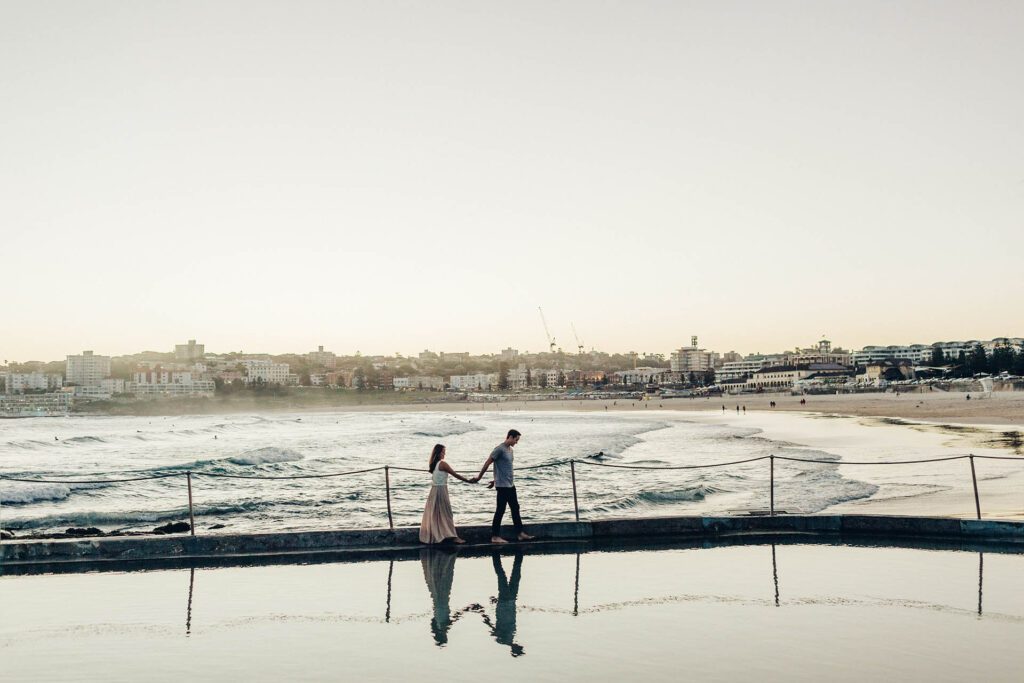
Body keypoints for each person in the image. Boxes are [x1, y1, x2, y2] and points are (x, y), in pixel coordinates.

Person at [477, 429, 534, 544]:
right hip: (503, 486)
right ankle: (495, 536)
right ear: (510, 437)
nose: (516, 442)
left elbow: (503, 467)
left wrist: (494, 480)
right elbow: (488, 462)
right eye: (516, 440)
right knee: (500, 510)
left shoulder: (510, 450)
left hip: (510, 485)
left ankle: (520, 534)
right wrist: (479, 477)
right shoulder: (499, 449)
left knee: (515, 509)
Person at [420, 444, 477, 544]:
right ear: (438, 453)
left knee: (436, 514)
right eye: (443, 452)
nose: (444, 454)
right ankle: (453, 537)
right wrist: (468, 481)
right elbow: (455, 474)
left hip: (434, 490)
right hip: (441, 490)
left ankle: (441, 535)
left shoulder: (433, 464)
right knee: (447, 513)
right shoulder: (442, 464)